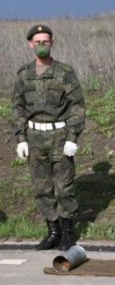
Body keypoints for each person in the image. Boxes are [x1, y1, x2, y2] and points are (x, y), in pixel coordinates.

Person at [11, 24, 86, 251]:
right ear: (30, 44)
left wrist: (73, 136)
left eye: (46, 41)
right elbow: (17, 107)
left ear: (52, 43)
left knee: (64, 187)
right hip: (35, 137)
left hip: (60, 135)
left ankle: (66, 232)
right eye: (37, 42)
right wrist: (21, 138)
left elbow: (77, 105)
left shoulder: (64, 72)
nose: (41, 45)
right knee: (41, 188)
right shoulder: (24, 75)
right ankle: (52, 231)